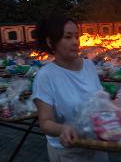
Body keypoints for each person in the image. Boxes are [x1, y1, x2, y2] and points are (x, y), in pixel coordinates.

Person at [32, 16, 108, 162]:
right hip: (69, 152)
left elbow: (100, 101)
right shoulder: (45, 76)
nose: (75, 42)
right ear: (51, 42)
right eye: (68, 37)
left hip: (97, 146)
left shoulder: (89, 66)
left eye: (77, 36)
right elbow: (45, 121)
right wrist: (62, 129)